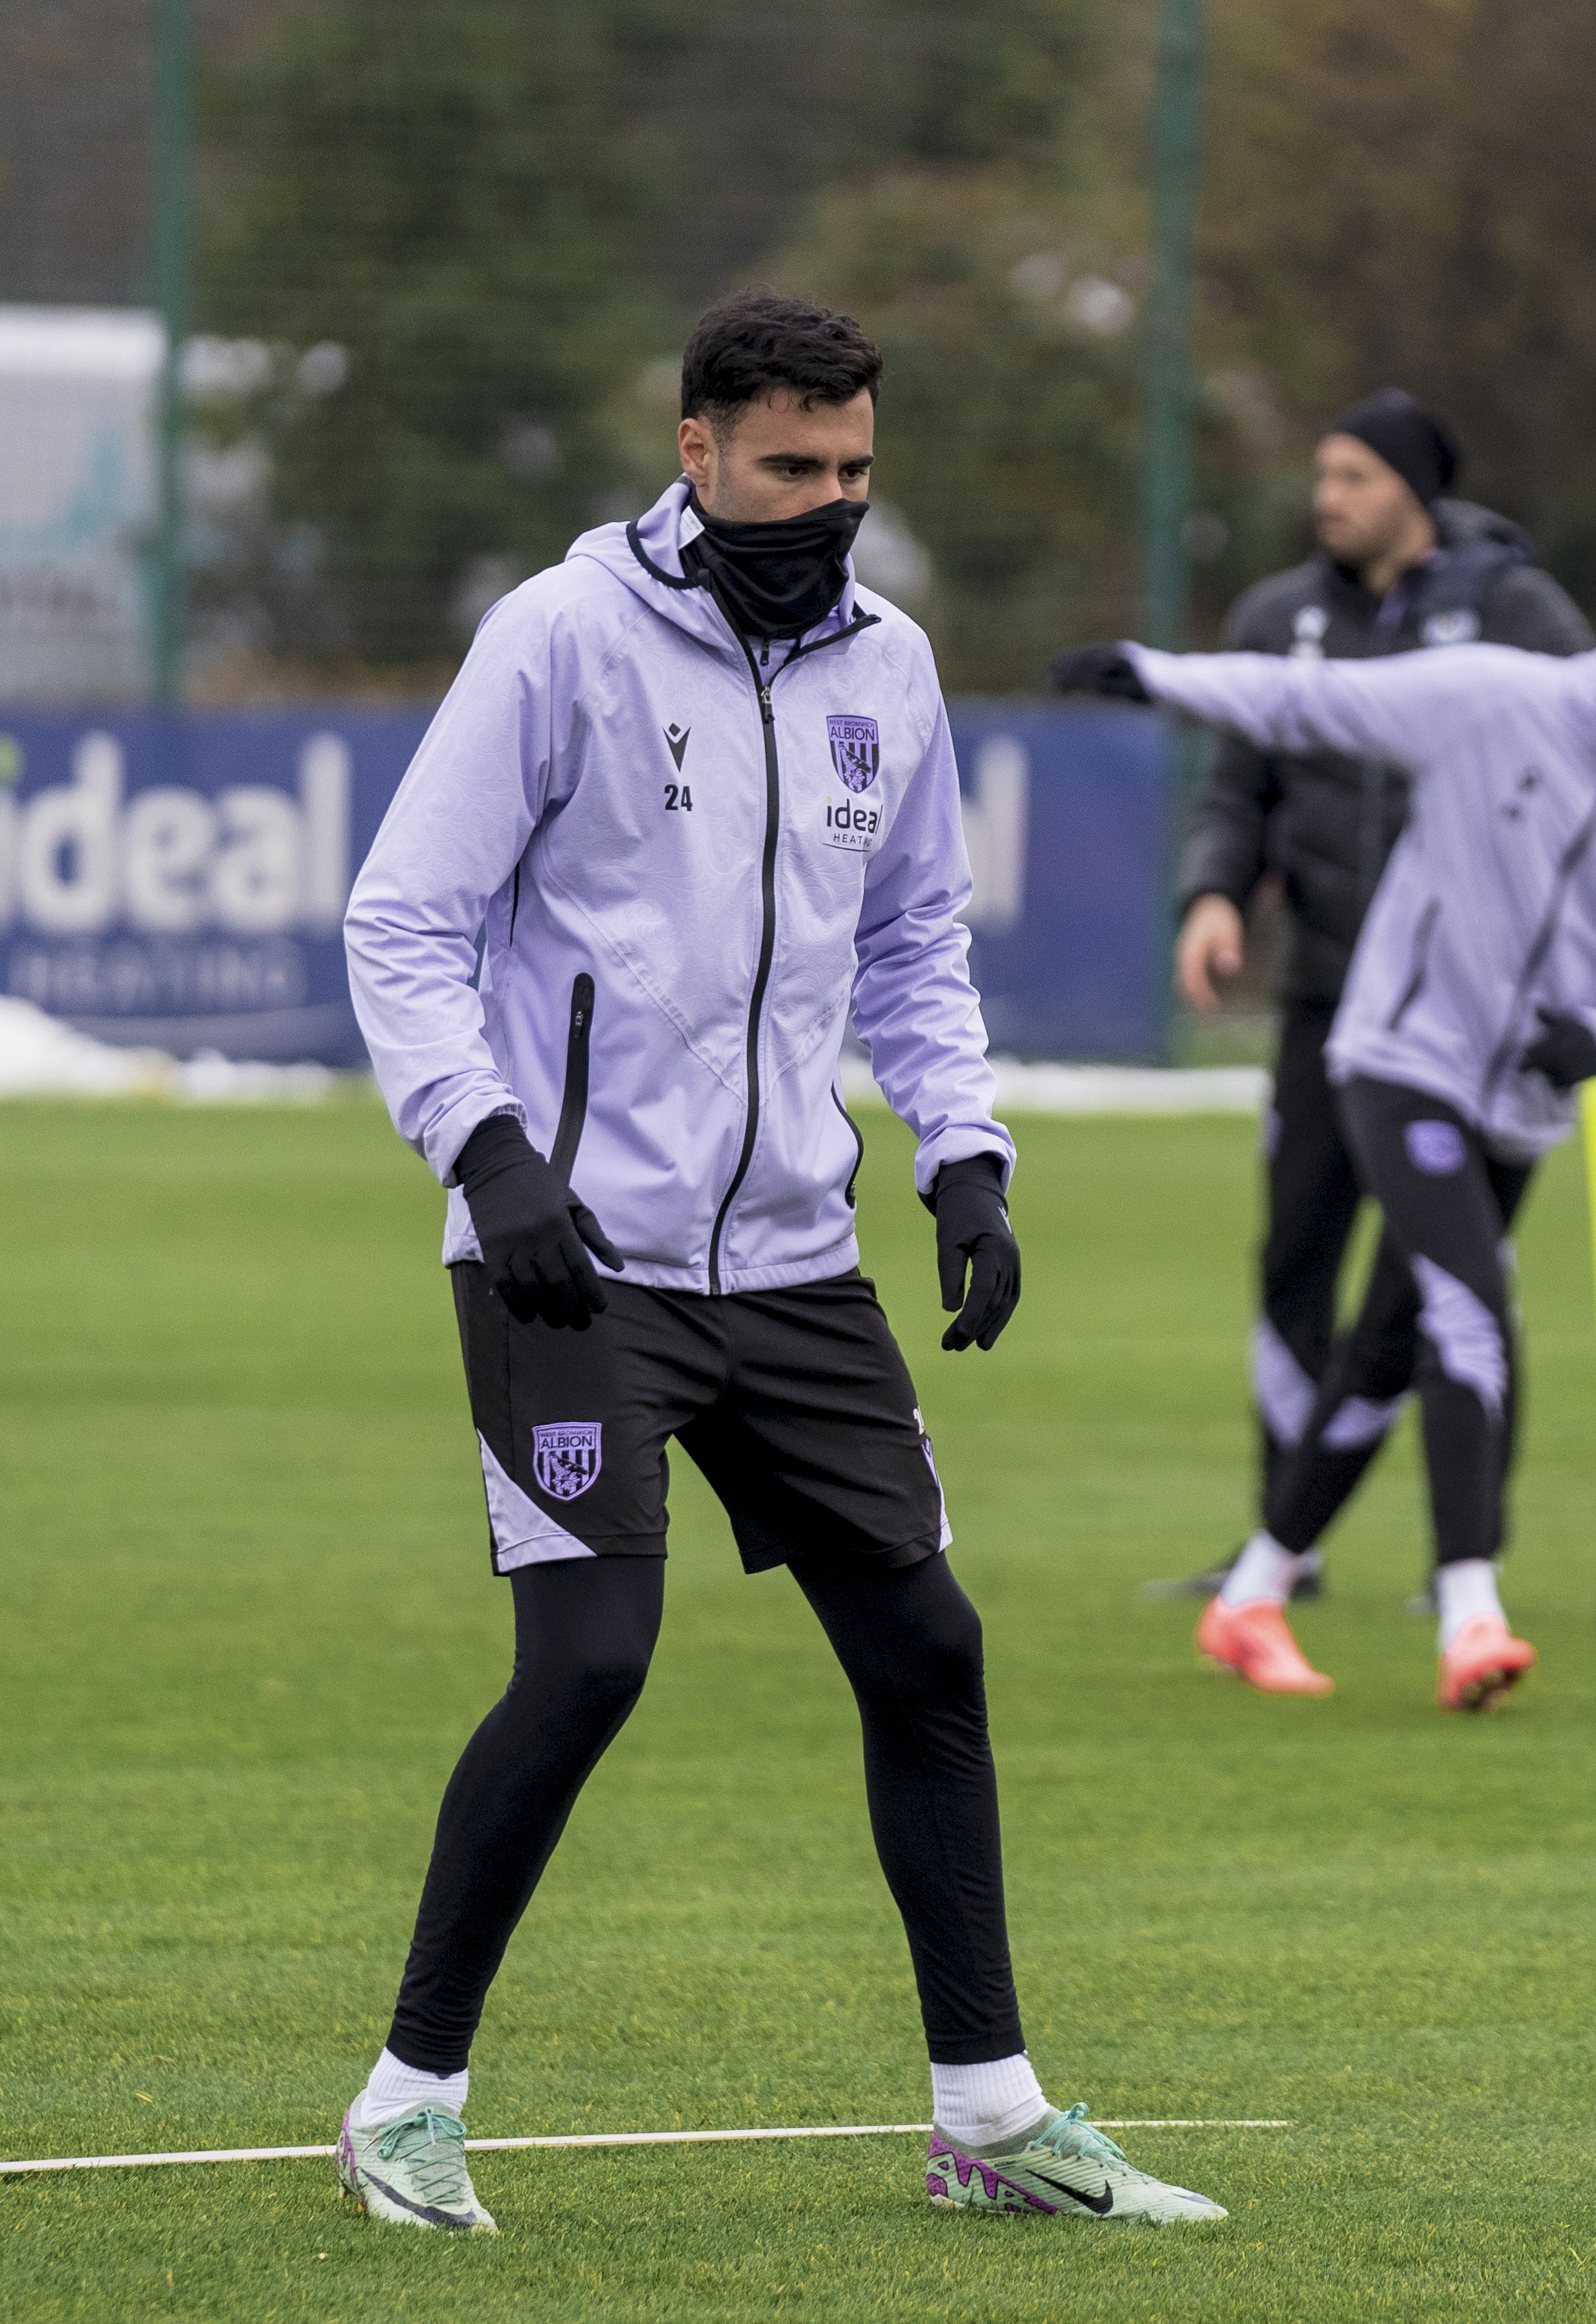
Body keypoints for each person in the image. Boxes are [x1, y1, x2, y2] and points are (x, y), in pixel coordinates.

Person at [338, 290, 1224, 2233]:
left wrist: (967, 1160)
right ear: (698, 452)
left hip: (800, 1267)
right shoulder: (559, 638)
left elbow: (911, 945)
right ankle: (406, 2102)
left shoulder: (886, 667)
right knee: (588, 1665)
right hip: (574, 1263)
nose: (827, 504)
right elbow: (404, 923)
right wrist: (489, 1156)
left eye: (855, 473)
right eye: (791, 467)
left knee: (931, 1652)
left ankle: (987, 2119)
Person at [1054, 571, 1596, 1710]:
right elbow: (1309, 701)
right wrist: (1152, 674)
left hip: (1522, 1106)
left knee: (1384, 1353)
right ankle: (1472, 1610)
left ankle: (1249, 1594)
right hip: (1399, 1061)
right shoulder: (1494, 699)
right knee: (1474, 1314)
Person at [1161, 393, 1591, 1670]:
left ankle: (1468, 1560)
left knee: (1448, 1280)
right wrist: (1214, 896)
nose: (1327, 495)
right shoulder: (1277, 620)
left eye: (1352, 474)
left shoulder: (1519, 613)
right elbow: (1236, 787)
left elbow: (1585, 766)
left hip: (1462, 1019)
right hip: (1323, 1002)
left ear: (1415, 488)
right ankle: (1280, 1541)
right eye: (1323, 473)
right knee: (1294, 1256)